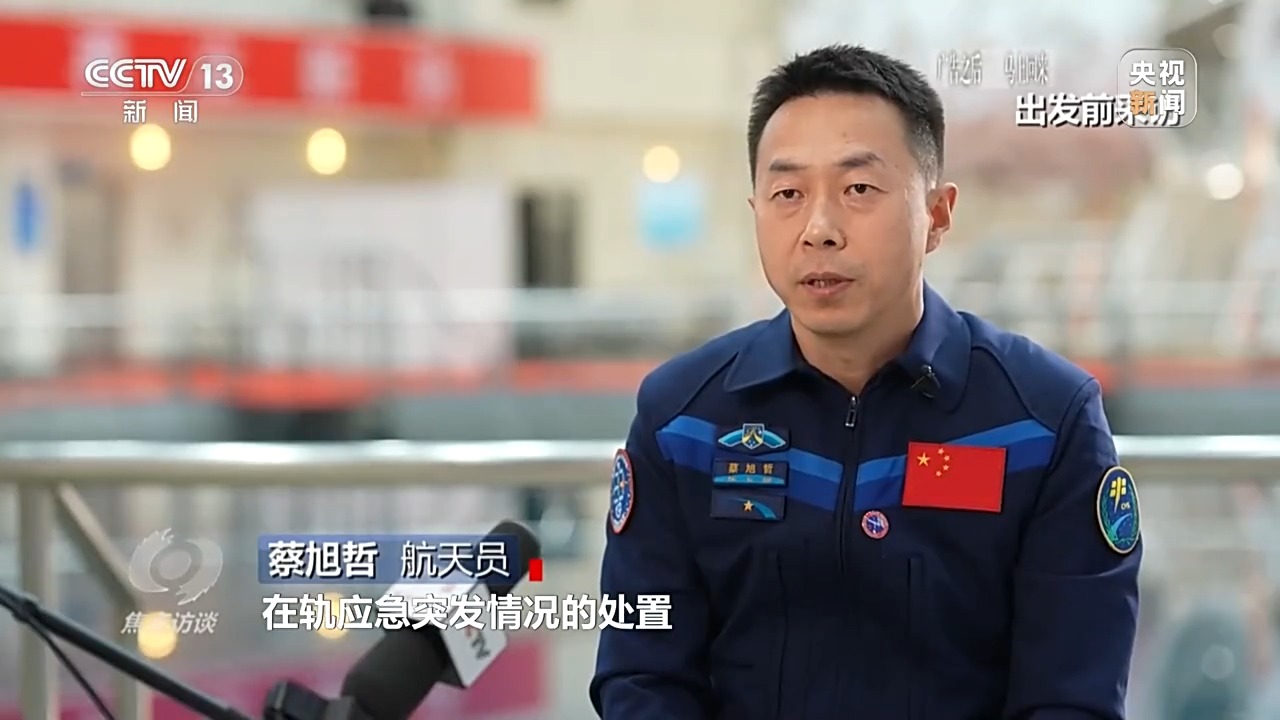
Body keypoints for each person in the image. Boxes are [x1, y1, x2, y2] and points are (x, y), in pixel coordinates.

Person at [589, 44, 1142, 719]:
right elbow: (643, 674)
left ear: (937, 214)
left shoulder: (1043, 421)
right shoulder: (682, 420)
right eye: (788, 194)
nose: (819, 229)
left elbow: (1072, 696)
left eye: (858, 190)